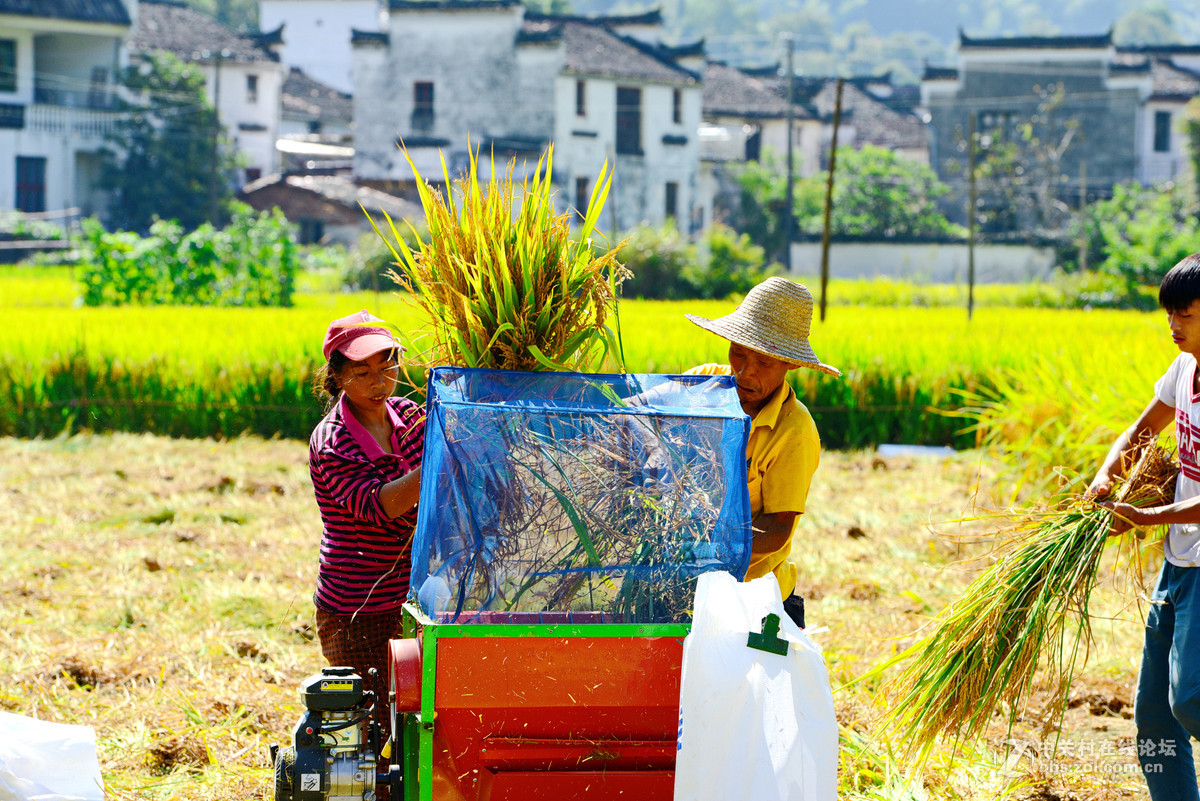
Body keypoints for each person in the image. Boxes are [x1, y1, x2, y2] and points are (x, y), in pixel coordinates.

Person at [1085, 253, 1200, 799]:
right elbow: (1142, 429)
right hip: (1178, 562)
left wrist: (1147, 516)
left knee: (1192, 700)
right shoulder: (1184, 371)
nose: (1174, 327)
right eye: (1170, 314)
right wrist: (1108, 476)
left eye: (1188, 315)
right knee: (1155, 716)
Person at [684, 277, 840, 626]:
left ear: (791, 364)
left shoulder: (794, 431)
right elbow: (641, 413)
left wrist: (711, 551)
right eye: (738, 352)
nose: (744, 371)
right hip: (685, 585)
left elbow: (778, 527)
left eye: (764, 362)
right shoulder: (703, 384)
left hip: (753, 598)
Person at [309, 309, 424, 744]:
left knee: (416, 724)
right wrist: (442, 455)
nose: (379, 382)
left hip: (415, 600)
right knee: (367, 735)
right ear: (336, 376)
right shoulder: (332, 440)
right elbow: (381, 506)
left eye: (387, 366)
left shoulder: (412, 418)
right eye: (362, 372)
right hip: (357, 609)